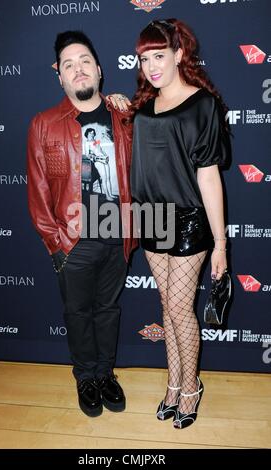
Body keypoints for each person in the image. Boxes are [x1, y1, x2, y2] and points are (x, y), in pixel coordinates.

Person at [27, 30, 136, 417]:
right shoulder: (43, 124)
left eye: (85, 61)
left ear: (100, 70)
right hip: (72, 241)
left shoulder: (125, 114)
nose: (78, 69)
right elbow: (38, 190)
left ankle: (106, 373)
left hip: (117, 232)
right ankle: (85, 377)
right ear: (60, 77)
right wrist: (56, 245)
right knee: (77, 314)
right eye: (68, 64)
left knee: (108, 309)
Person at [129, 19, 230, 429]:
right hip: (151, 217)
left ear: (178, 54)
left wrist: (221, 243)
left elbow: (209, 176)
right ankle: (173, 384)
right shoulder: (144, 105)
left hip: (188, 219)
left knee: (180, 308)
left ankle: (191, 387)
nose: (151, 66)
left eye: (158, 55)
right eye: (144, 58)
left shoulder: (202, 104)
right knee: (166, 309)